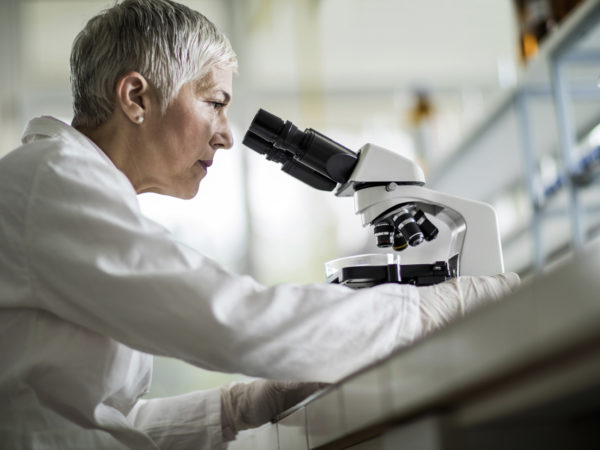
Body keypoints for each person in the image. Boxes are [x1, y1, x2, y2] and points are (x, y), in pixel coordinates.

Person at [0, 0, 519, 448]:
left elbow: (98, 422)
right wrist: (424, 312)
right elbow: (228, 318)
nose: (226, 136)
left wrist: (239, 406)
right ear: (136, 98)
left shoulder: (62, 188)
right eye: (214, 103)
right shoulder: (52, 181)